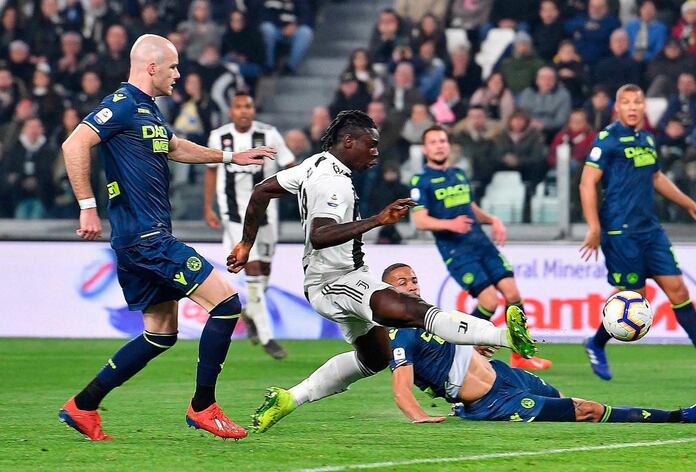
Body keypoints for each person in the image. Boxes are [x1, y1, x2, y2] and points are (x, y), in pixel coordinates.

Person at [226, 110, 538, 433]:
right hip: (335, 282)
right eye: (370, 145)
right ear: (348, 142)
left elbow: (262, 190)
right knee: (413, 310)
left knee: (375, 357)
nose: (376, 152)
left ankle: (289, 399)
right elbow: (320, 235)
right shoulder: (334, 183)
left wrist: (246, 244)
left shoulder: (313, 164)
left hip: (338, 278)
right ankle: (504, 336)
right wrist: (378, 219)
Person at [58, 34, 274, 441]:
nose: (179, 74)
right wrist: (87, 204)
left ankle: (83, 406)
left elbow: (175, 147)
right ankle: (203, 407)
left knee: (160, 334)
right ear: (151, 67)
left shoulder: (147, 111)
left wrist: (230, 157)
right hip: (146, 238)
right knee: (227, 304)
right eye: (173, 67)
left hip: (138, 238)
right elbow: (75, 143)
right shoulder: (121, 104)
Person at [383, 263, 696, 424]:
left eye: (413, 279)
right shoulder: (401, 332)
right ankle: (680, 417)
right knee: (587, 410)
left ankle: (462, 409)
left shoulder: (429, 315)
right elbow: (402, 388)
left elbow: (449, 350)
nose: (412, 285)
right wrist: (418, 416)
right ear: (388, 293)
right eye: (402, 282)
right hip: (492, 402)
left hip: (505, 376)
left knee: (556, 396)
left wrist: (477, 348)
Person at [579, 84, 696, 381]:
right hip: (620, 232)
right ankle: (596, 342)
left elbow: (656, 177)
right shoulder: (607, 139)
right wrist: (594, 226)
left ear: (644, 107)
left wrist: (692, 205)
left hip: (650, 230)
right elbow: (587, 182)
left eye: (637, 102)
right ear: (617, 107)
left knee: (679, 291)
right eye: (626, 102)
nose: (632, 107)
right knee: (633, 299)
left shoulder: (646, 140)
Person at [411, 124, 552, 371]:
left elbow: (470, 208)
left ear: (448, 144)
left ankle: (520, 355)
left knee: (513, 295)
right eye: (433, 142)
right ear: (425, 148)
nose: (439, 145)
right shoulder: (421, 181)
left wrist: (492, 219)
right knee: (489, 301)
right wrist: (450, 224)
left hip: (481, 244)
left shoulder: (458, 174)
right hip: (457, 251)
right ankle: (461, 350)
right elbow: (420, 220)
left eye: (442, 140)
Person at [204, 91, 293, 360]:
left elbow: (289, 165)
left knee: (264, 271)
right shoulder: (219, 136)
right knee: (252, 269)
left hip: (267, 216)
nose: (243, 111)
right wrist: (208, 206)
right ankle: (267, 337)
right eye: (238, 107)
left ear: (253, 110)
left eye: (248, 106)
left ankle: (252, 313)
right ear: (231, 111)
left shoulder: (270, 134)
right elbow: (211, 170)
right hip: (234, 216)